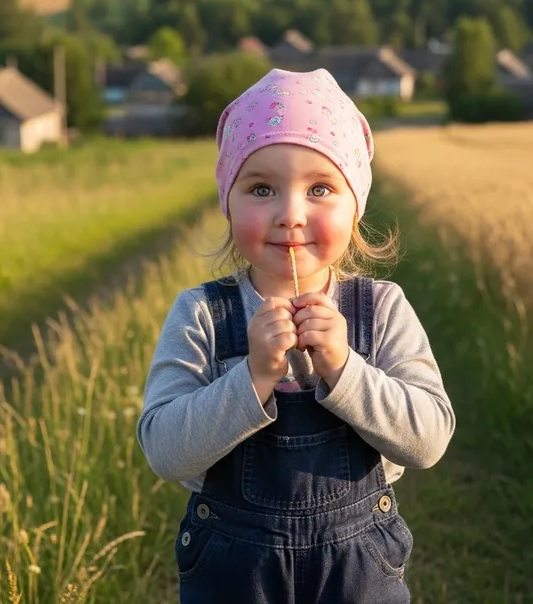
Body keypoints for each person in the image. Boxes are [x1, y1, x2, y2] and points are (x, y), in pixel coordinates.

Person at [137, 67, 455, 603]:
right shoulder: (202, 315)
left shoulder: (381, 309)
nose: (290, 215)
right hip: (236, 576)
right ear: (227, 201)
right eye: (261, 188)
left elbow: (427, 441)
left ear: (355, 205)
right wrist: (254, 374)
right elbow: (166, 452)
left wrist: (344, 367)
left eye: (321, 188)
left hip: (357, 570)